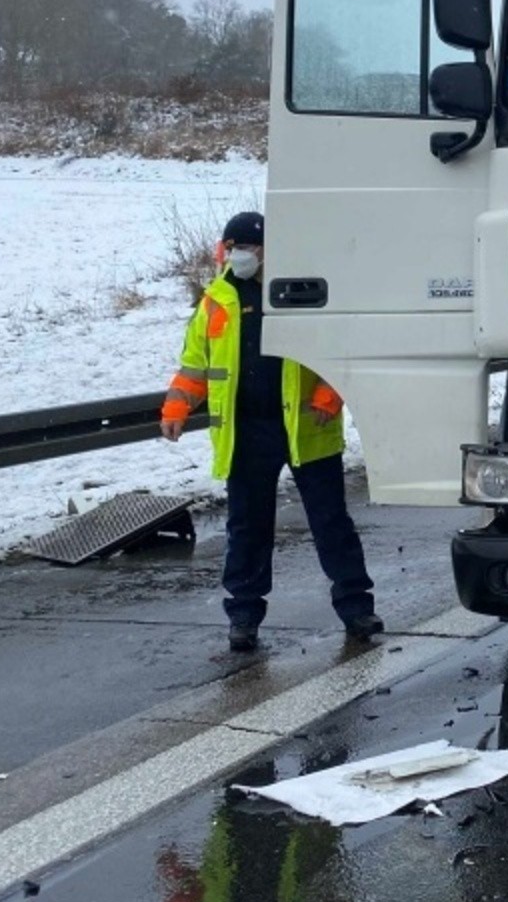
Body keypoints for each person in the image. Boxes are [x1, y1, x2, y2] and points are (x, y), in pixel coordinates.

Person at [161, 212, 379, 652]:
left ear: (266, 251)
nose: (238, 254)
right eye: (233, 246)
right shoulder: (215, 301)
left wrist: (327, 398)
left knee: (331, 523)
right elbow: (194, 365)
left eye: (248, 247)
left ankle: (357, 608)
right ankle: (243, 615)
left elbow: (336, 350)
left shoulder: (299, 291)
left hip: (305, 428)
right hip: (246, 433)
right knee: (247, 528)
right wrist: (177, 405)